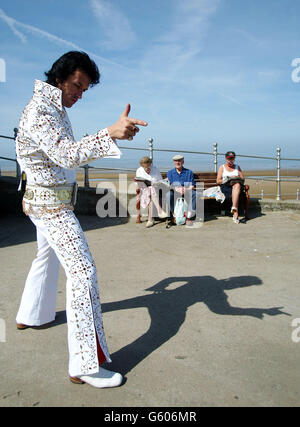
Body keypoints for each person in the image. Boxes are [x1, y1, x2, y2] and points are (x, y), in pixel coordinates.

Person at [15, 51, 148, 388]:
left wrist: (112, 135)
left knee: (46, 256)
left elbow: (61, 150)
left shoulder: (51, 107)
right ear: (59, 78)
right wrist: (110, 134)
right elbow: (66, 153)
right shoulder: (42, 111)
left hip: (41, 201)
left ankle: (33, 315)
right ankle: (85, 364)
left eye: (84, 90)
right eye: (76, 86)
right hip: (52, 206)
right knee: (83, 272)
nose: (79, 93)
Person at [135, 156, 166, 227]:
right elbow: (137, 183)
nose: (148, 169)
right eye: (145, 168)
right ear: (142, 166)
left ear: (151, 164)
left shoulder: (155, 169)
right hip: (144, 190)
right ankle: (159, 211)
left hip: (156, 190)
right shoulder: (139, 170)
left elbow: (161, 181)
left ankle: (151, 219)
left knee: (152, 190)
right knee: (151, 193)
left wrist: (156, 184)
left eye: (149, 167)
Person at [216, 151, 245, 224]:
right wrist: (228, 178)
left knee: (237, 185)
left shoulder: (237, 167)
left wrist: (236, 177)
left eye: (232, 158)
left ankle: (234, 210)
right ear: (226, 158)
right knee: (236, 188)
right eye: (229, 159)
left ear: (234, 158)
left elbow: (243, 179)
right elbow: (218, 181)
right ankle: (235, 212)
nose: (230, 160)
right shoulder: (222, 167)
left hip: (237, 187)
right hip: (226, 187)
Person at [167, 155, 196, 225]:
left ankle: (188, 217)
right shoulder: (170, 172)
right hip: (175, 191)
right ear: (174, 162)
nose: (177, 162)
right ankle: (174, 215)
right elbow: (170, 185)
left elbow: (192, 185)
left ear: (183, 162)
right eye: (176, 161)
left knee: (195, 194)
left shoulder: (189, 172)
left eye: (179, 161)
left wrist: (186, 189)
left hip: (187, 190)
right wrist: (176, 189)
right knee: (169, 195)